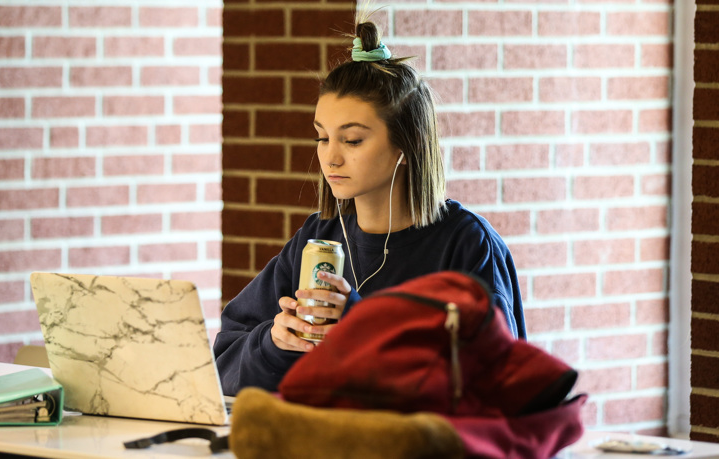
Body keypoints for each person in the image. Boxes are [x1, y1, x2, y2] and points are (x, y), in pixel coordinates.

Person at [214, 18, 525, 396]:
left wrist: (360, 325)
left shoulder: (466, 245)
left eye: (353, 140)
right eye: (322, 137)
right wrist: (275, 344)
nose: (330, 157)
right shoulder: (317, 238)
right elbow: (223, 362)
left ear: (406, 146)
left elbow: (489, 386)